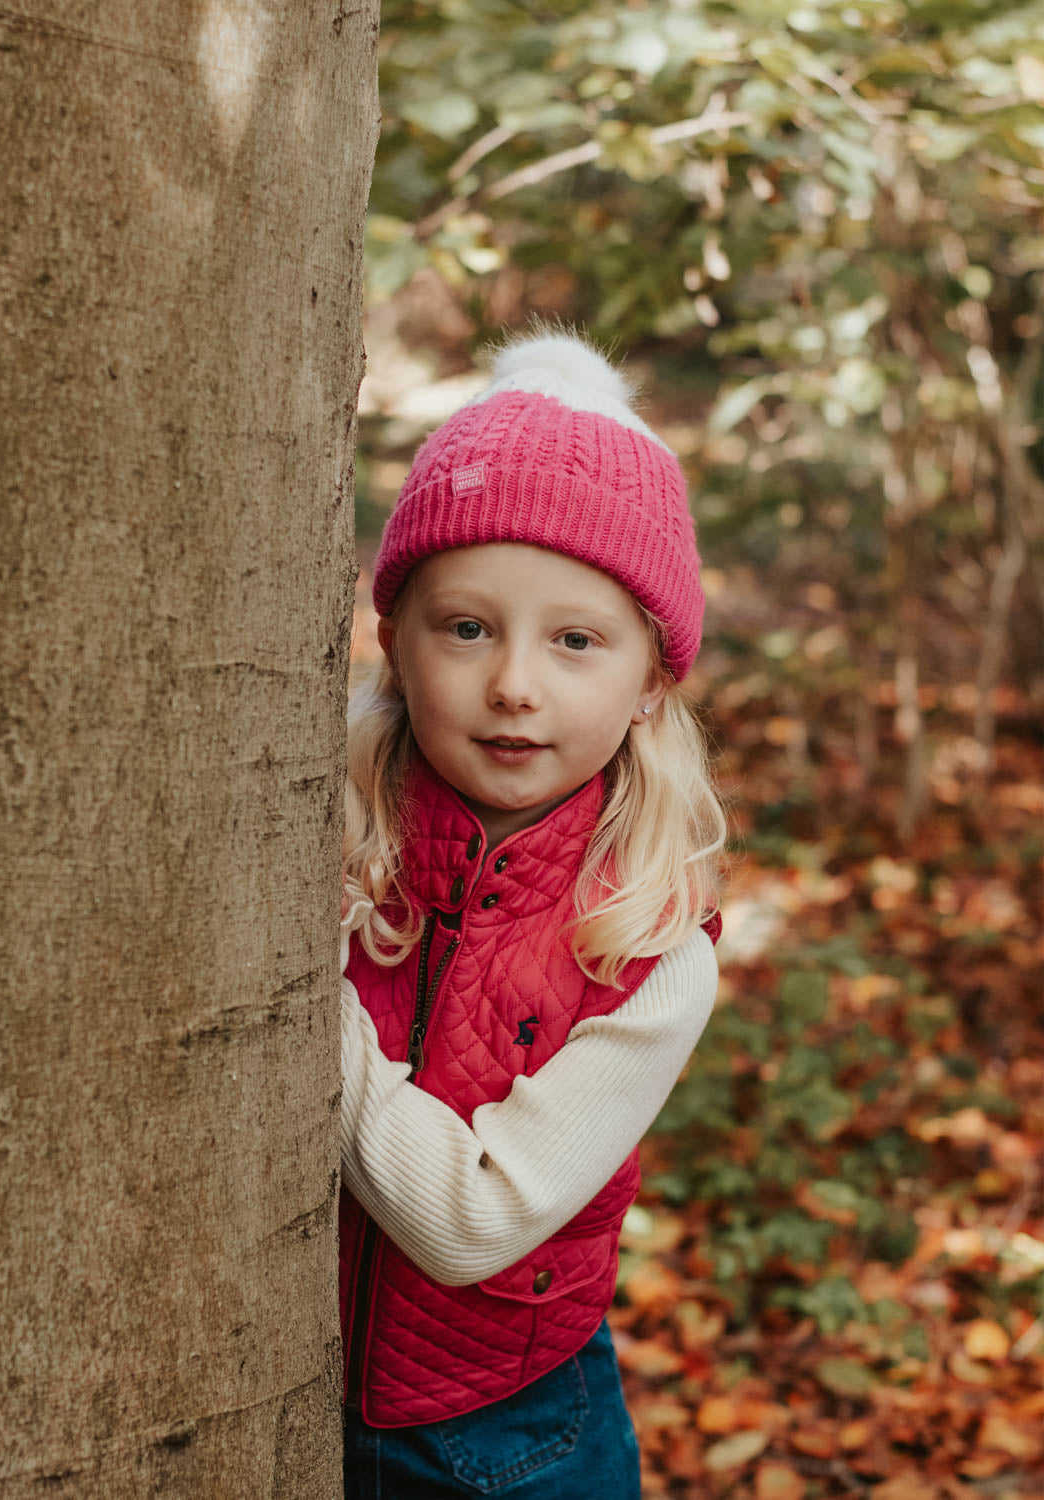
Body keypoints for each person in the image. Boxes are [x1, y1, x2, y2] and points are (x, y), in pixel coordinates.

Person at [338, 331, 727, 1498]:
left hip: (509, 1446)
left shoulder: (651, 945)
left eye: (575, 640)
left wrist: (297, 1010)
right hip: (282, 1399)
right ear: (396, 645)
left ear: (651, 679)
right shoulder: (327, 831)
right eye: (467, 627)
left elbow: (471, 1220)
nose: (514, 683)